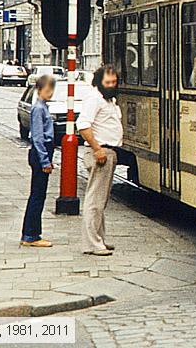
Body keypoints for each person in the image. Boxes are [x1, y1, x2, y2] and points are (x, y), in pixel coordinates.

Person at [77, 64, 122, 256]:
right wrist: (98, 149)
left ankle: (99, 239)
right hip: (100, 153)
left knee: (100, 200)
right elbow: (83, 125)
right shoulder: (94, 99)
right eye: (108, 82)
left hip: (108, 152)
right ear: (99, 81)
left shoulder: (108, 99)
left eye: (114, 82)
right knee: (95, 200)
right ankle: (92, 244)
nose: (111, 85)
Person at [20, 75, 56, 248]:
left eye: (51, 90)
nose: (50, 93)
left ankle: (32, 233)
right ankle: (30, 234)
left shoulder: (43, 107)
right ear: (39, 90)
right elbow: (38, 138)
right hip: (40, 153)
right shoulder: (38, 109)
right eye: (47, 90)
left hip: (44, 153)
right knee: (37, 195)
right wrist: (45, 161)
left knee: (39, 194)